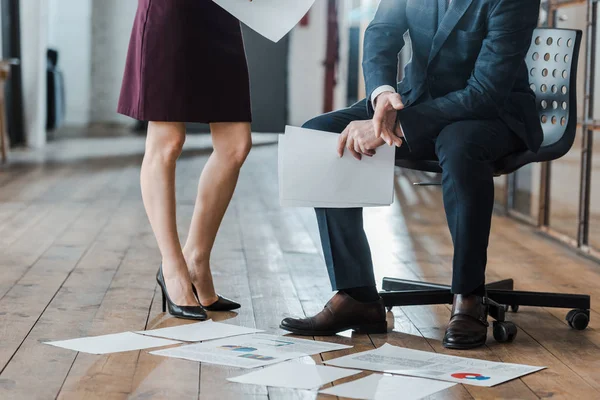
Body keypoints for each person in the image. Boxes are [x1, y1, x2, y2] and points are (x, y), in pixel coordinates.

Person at [280, 0, 542, 349]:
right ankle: (357, 296)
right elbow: (381, 32)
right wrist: (383, 96)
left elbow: (485, 93)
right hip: (417, 98)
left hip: (493, 114)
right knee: (322, 134)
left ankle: (468, 296)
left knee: (458, 145)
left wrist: (398, 124)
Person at [118, 0, 253, 320]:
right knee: (167, 143)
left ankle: (196, 259)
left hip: (221, 12)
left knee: (236, 146)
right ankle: (173, 267)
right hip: (172, 10)